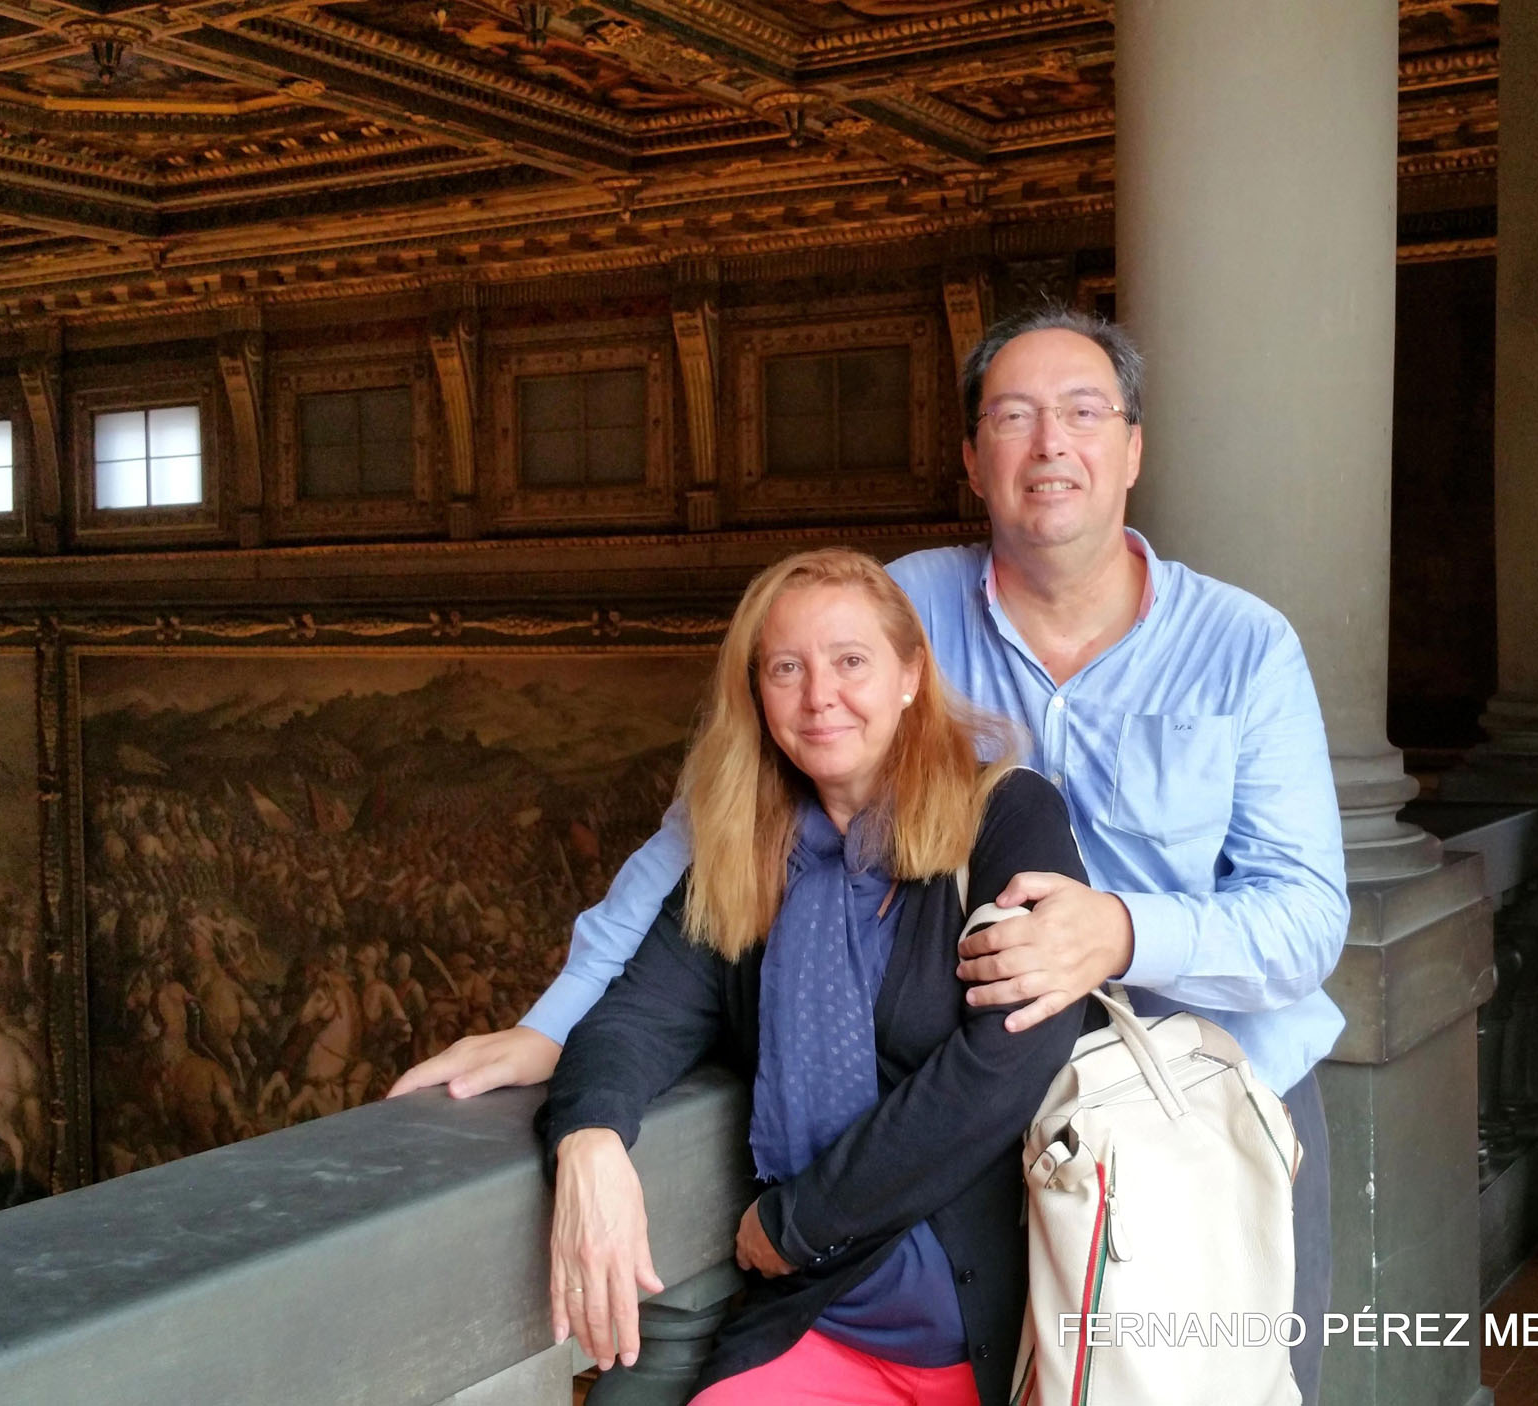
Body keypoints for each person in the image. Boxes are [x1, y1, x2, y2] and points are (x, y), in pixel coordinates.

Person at [394, 307, 1352, 1392]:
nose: (1050, 443)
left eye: (1085, 412)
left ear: (1133, 447)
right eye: (1013, 416)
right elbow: (702, 847)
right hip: (989, 1142)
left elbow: (1306, 919)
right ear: (972, 458)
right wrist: (553, 1029)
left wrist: (1122, 931)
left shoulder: (1243, 647)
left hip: (1201, 1103)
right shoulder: (905, 609)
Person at [541, 548, 1095, 1405]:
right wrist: (589, 1139)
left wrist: (798, 1223)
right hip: (816, 1322)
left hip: (999, 1336)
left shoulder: (1005, 816)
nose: (818, 696)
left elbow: (1007, 1061)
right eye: (786, 669)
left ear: (910, 676)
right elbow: (635, 1018)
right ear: (758, 695)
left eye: (850, 661)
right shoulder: (743, 859)